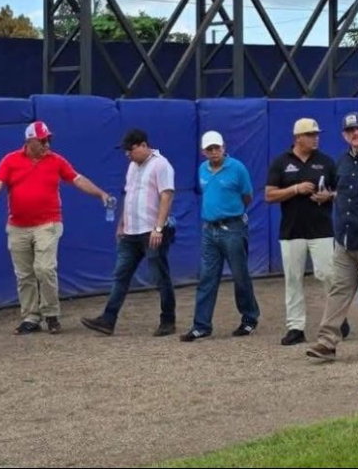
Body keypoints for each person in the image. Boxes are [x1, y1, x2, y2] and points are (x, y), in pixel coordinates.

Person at [0, 120, 113, 335]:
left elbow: (77, 179)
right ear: (29, 141)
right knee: (24, 274)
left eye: (49, 139)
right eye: (42, 140)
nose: (47, 144)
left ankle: (51, 313)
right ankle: (30, 317)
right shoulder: (10, 160)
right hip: (18, 225)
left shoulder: (56, 161)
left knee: (45, 268)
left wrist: (100, 193)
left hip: (48, 223)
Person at [305, 112, 358, 364]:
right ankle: (327, 343)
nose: (356, 133)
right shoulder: (340, 161)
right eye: (350, 130)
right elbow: (339, 191)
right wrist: (329, 196)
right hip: (344, 240)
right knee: (338, 291)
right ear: (344, 135)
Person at [81, 129, 177, 337]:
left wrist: (158, 228)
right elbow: (130, 195)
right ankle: (108, 319)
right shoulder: (132, 167)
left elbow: (166, 197)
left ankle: (168, 319)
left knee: (160, 276)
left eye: (130, 150)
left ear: (143, 145)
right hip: (132, 231)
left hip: (151, 230)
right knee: (121, 275)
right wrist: (121, 224)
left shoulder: (161, 165)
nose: (127, 154)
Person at [181, 131, 261, 341]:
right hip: (209, 229)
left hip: (232, 227)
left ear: (224, 147)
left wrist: (233, 213)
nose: (214, 152)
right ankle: (201, 325)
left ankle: (249, 319)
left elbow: (247, 195)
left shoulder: (237, 168)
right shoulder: (202, 170)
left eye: (217, 147)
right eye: (210, 149)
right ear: (203, 151)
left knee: (240, 275)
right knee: (207, 277)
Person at [266, 118, 339, 345]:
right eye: (310, 134)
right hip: (291, 231)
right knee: (293, 279)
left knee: (328, 275)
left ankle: (337, 320)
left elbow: (341, 191)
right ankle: (295, 327)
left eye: (317, 134)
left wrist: (329, 196)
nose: (316, 138)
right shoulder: (281, 162)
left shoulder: (326, 162)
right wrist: (295, 189)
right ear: (298, 138)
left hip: (321, 228)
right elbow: (269, 195)